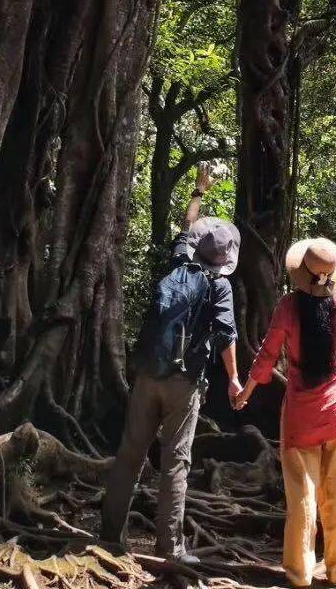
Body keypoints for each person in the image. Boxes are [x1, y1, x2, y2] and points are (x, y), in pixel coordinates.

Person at [101, 166, 241, 560]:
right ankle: (171, 547)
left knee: (130, 453)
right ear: (226, 258)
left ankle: (110, 536)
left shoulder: (180, 262)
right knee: (175, 463)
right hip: (184, 384)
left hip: (148, 374)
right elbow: (227, 335)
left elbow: (188, 223)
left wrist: (200, 189)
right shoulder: (220, 285)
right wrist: (233, 379)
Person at [234, 238, 336, 589]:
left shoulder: (288, 306)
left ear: (301, 274)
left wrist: (246, 392)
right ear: (335, 272)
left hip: (302, 417)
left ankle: (300, 574)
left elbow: (266, 356)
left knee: (302, 501)